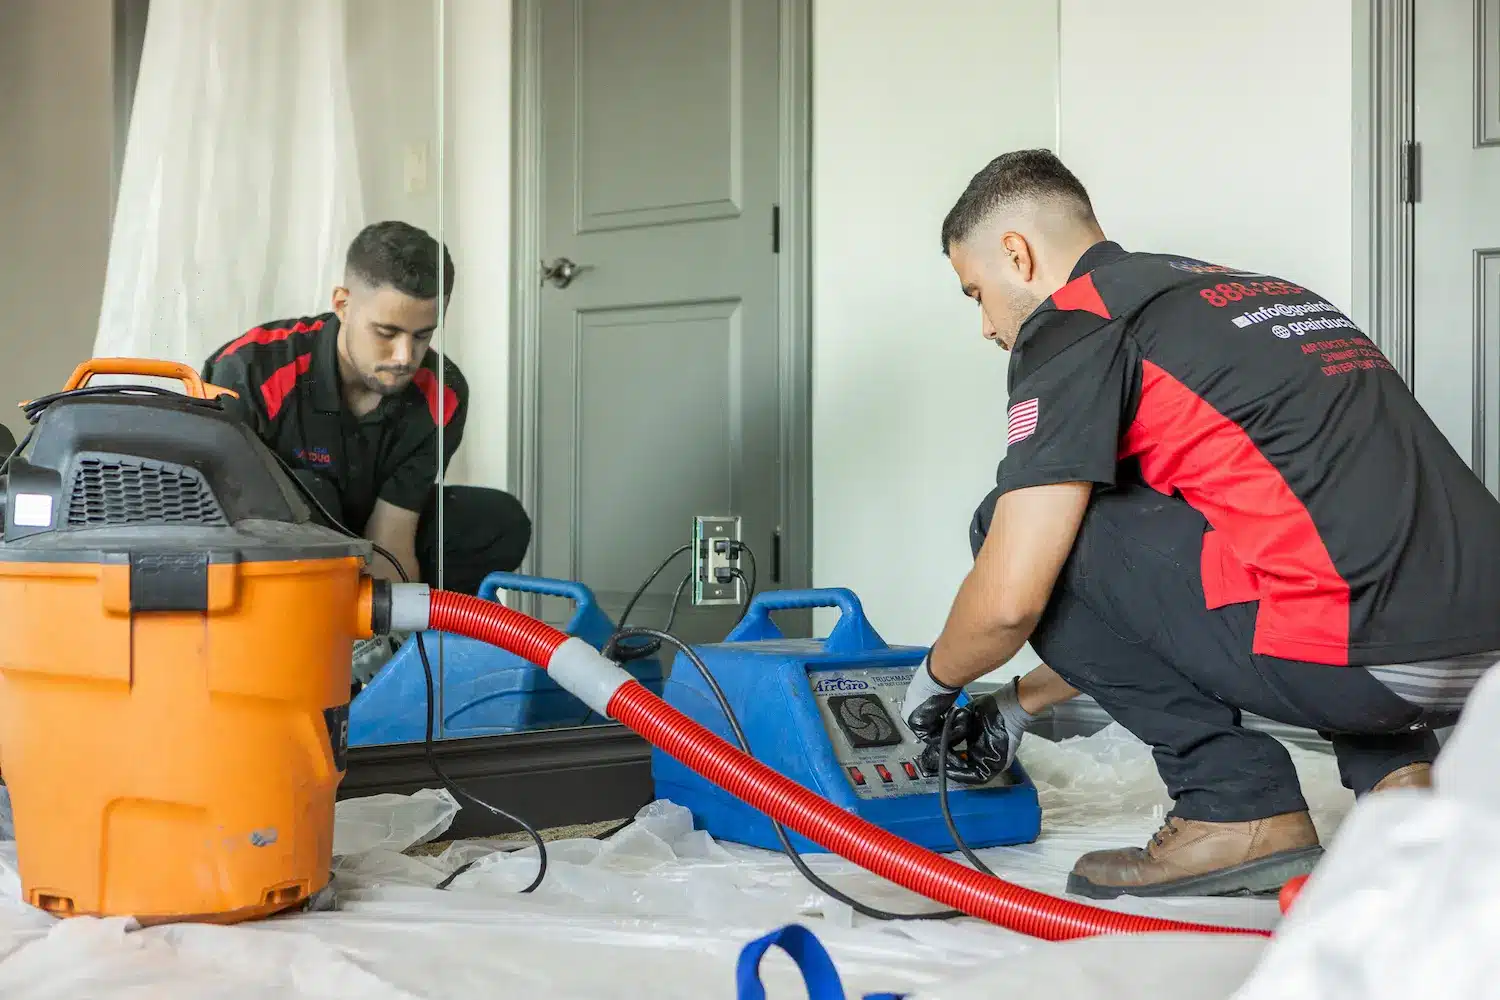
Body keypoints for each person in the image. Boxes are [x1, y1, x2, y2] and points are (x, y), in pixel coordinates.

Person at [900, 149, 1500, 900]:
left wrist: (930, 686)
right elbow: (1173, 593)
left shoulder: (1077, 323)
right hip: (1478, 670)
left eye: (976, 293)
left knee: (1008, 525)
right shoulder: (1248, 293)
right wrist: (1022, 703)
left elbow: (1015, 595)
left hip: (1368, 662)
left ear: (1016, 254)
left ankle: (1234, 809)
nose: (987, 326)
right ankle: (1399, 786)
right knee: (1302, 527)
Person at [201, 220, 531, 599]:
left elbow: (393, 536)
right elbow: (220, 528)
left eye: (422, 335)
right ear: (342, 304)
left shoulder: (443, 392)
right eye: (386, 333)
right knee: (309, 494)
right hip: (278, 558)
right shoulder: (249, 371)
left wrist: (389, 629)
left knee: (498, 520)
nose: (405, 357)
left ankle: (410, 645)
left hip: (369, 527)